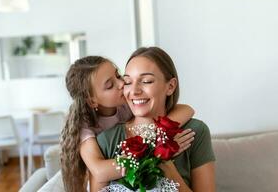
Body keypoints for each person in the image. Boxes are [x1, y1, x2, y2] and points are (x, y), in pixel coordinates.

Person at [60, 56, 196, 192]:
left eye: (118, 76)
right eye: (109, 85)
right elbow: (100, 172)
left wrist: (162, 134)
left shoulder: (125, 104)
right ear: (92, 101)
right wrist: (158, 152)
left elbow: (187, 110)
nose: (121, 84)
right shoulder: (84, 125)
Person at [96, 47, 216, 192]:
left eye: (146, 81)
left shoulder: (195, 131)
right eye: (127, 82)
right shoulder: (106, 140)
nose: (134, 91)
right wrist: (154, 155)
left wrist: (167, 167)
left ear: (170, 86)